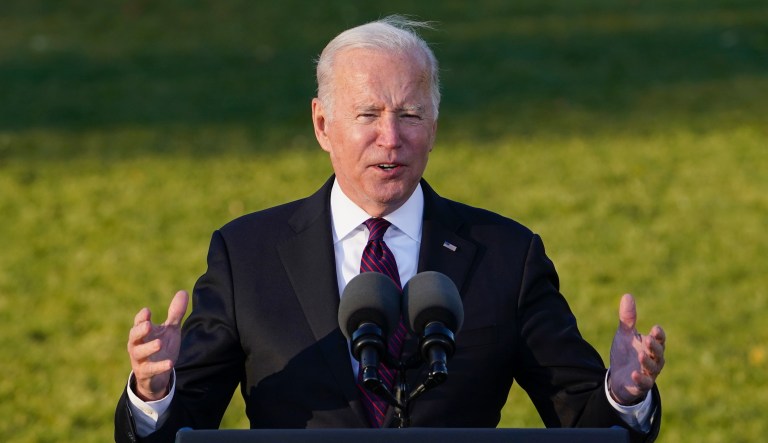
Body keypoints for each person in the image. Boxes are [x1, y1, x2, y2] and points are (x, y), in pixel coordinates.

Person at [115, 16, 666, 443]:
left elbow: (587, 427)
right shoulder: (247, 255)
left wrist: (622, 394)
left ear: (434, 124)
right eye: (368, 114)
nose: (391, 138)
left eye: (410, 115)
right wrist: (153, 392)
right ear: (322, 124)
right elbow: (182, 429)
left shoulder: (506, 255)